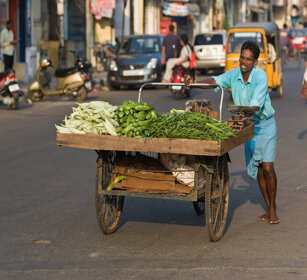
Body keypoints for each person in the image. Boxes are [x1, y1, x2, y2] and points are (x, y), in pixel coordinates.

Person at [184, 41, 280, 224]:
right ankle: (268, 208)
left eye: (248, 59)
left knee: (268, 167)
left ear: (255, 62)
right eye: (242, 57)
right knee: (258, 166)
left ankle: (273, 209)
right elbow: (215, 82)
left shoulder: (261, 76)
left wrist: (243, 111)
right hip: (247, 125)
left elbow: (256, 101)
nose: (244, 62)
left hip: (265, 125)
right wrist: (194, 83)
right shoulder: (234, 74)